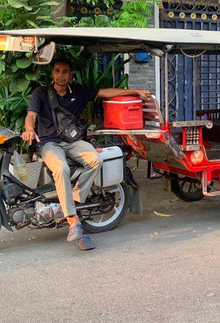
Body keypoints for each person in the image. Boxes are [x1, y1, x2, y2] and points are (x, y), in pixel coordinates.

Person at [21, 59, 151, 250]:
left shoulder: (78, 91)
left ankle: (73, 198)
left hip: (73, 141)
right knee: (61, 168)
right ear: (52, 74)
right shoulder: (41, 93)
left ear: (70, 74)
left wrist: (135, 92)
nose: (60, 75)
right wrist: (29, 129)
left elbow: (105, 92)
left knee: (95, 160)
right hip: (49, 144)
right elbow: (31, 115)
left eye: (65, 72)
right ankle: (74, 222)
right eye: (57, 71)